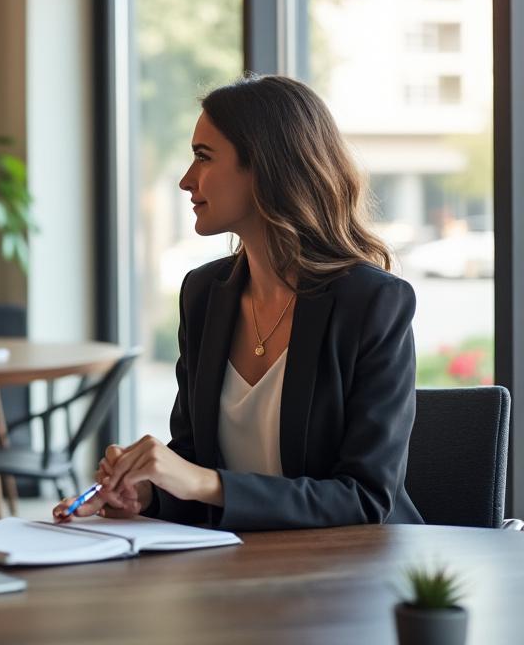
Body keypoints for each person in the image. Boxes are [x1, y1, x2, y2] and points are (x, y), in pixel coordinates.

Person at [55, 74, 423, 530]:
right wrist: (146, 491)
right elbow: (193, 455)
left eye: (203, 158)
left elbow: (367, 499)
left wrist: (203, 482)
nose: (187, 181)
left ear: (266, 169)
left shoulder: (372, 304)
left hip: (356, 577)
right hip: (238, 568)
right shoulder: (203, 295)